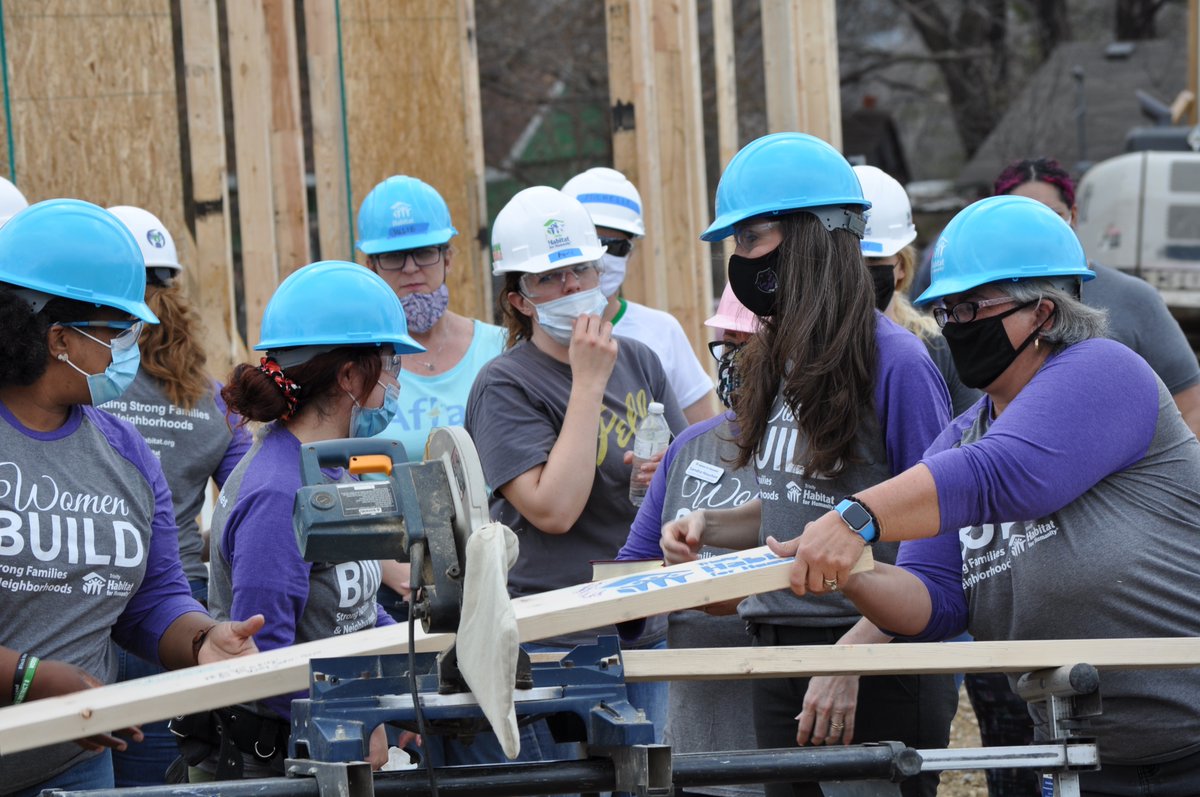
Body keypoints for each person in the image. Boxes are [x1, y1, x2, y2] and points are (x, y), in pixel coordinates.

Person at [778, 194, 1200, 797]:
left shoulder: (1106, 372)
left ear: (1046, 313)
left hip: (1191, 745)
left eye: (973, 306)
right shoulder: (960, 438)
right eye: (946, 309)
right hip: (1085, 757)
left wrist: (856, 518)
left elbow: (1002, 474)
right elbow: (933, 601)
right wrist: (847, 575)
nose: (954, 324)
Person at [659, 133, 957, 797]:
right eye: (735, 242)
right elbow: (798, 506)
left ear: (814, 235)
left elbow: (938, 535)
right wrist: (710, 524)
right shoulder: (783, 354)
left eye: (754, 236)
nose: (740, 259)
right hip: (779, 644)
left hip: (870, 653)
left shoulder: (899, 364)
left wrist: (851, 654)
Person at [0, 199, 262, 796]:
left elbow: (153, 599)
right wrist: (28, 679)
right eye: (118, 331)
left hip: (72, 767)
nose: (132, 347)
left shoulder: (126, 453)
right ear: (58, 337)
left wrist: (200, 639)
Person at [465, 186, 686, 751]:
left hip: (641, 621)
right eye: (549, 278)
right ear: (518, 300)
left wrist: (659, 477)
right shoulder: (505, 383)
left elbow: (693, 477)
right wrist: (587, 383)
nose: (571, 288)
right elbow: (553, 509)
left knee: (647, 785)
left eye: (581, 270)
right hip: (553, 634)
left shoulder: (639, 360)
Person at [194, 260, 424, 780]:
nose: (395, 379)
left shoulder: (327, 468)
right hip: (282, 758)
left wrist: (402, 687)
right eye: (390, 363)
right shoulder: (280, 492)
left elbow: (356, 610)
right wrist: (355, 718)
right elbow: (265, 656)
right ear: (348, 376)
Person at [99, 206, 253, 787]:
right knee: (154, 776)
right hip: (176, 608)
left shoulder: (86, 376)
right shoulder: (215, 401)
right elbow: (241, 501)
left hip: (89, 598)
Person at [618, 281, 762, 797]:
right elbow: (630, 569)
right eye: (724, 346)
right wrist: (660, 578)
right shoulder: (689, 446)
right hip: (697, 743)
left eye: (745, 345)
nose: (731, 362)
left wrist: (743, 598)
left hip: (783, 737)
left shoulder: (822, 446)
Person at [355, 175, 507, 621]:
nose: (410, 269)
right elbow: (329, 474)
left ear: (448, 258)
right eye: (392, 257)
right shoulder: (355, 367)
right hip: (394, 590)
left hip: (495, 574)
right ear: (371, 267)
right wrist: (382, 563)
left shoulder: (498, 349)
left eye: (424, 253)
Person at [563, 167, 717, 424]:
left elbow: (703, 433)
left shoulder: (662, 330)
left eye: (617, 246)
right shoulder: (543, 337)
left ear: (631, 252)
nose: (603, 257)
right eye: (594, 241)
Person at [855, 165, 981, 417]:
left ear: (901, 266)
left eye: (874, 261)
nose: (860, 276)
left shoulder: (938, 348)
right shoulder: (810, 348)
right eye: (851, 262)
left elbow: (970, 438)